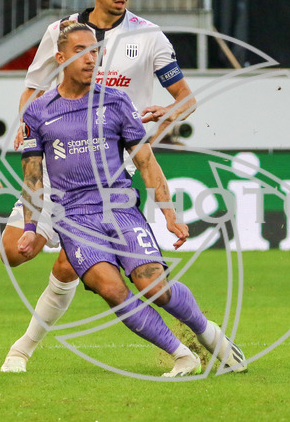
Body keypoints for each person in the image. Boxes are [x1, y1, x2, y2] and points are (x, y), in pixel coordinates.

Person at [1, 0, 197, 373]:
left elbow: (186, 97)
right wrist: (25, 124)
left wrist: (171, 110)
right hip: (56, 165)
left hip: (110, 177)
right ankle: (26, 343)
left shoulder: (149, 37)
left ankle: (23, 349)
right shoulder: (63, 31)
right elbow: (33, 88)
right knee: (13, 252)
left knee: (72, 263)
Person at [16, 22, 246, 377]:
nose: (91, 59)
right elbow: (33, 178)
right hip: (75, 217)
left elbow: (145, 160)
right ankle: (182, 355)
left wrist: (169, 215)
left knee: (154, 286)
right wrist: (31, 227)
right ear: (59, 59)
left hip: (121, 208)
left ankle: (210, 334)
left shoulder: (116, 100)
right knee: (110, 287)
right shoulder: (38, 111)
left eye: (94, 51)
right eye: (80, 52)